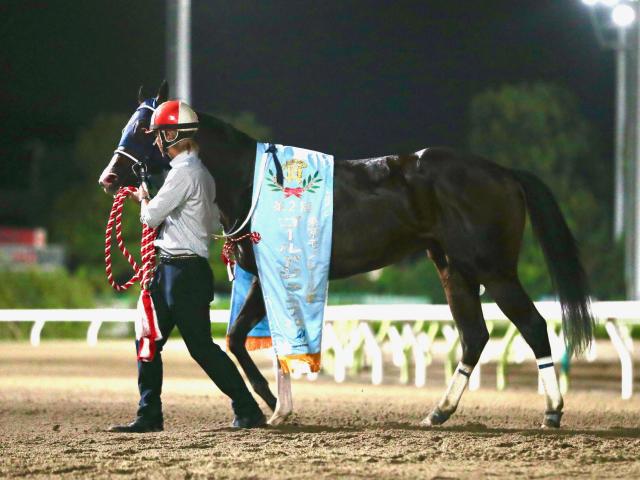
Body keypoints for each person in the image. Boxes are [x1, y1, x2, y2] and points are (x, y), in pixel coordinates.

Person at [109, 100, 266, 432]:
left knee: (200, 348)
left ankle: (248, 409)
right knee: (149, 340)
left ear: (171, 134)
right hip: (175, 270)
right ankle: (149, 414)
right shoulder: (201, 174)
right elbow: (206, 220)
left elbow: (152, 217)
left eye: (157, 136)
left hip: (181, 274)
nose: (154, 143)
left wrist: (144, 198)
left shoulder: (184, 173)